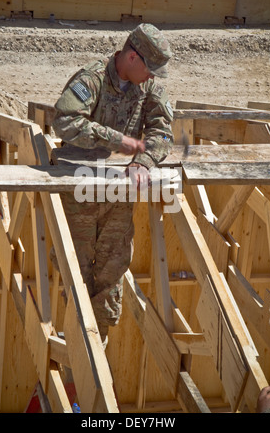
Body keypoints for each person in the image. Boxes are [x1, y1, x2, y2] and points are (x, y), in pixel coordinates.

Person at [51, 23, 174, 347]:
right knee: (74, 271)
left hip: (117, 196)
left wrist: (143, 161)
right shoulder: (92, 78)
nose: (153, 77)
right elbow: (65, 121)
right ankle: (73, 348)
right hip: (80, 192)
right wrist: (116, 140)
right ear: (132, 57)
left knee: (112, 271)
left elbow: (162, 132)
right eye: (150, 69)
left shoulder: (149, 88)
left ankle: (97, 349)